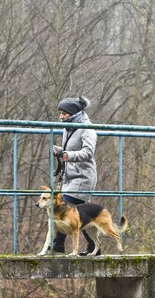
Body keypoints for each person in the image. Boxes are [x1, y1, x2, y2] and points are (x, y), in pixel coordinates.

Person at [50, 96, 99, 255]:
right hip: (70, 177)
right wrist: (59, 150)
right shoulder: (69, 127)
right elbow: (69, 149)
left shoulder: (86, 128)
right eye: (60, 113)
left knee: (65, 205)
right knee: (79, 213)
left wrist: (67, 155)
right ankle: (93, 247)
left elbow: (88, 152)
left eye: (63, 113)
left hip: (83, 177)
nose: (61, 117)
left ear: (73, 113)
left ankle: (58, 243)